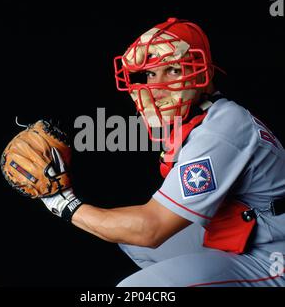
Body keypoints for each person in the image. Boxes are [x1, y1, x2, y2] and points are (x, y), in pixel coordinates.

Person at [40, 17, 285, 286]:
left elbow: (151, 229)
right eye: (151, 73)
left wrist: (62, 203)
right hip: (241, 230)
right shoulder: (202, 115)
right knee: (133, 243)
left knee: (134, 287)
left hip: (271, 251)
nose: (157, 86)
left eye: (173, 70)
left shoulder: (220, 131)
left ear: (203, 73)